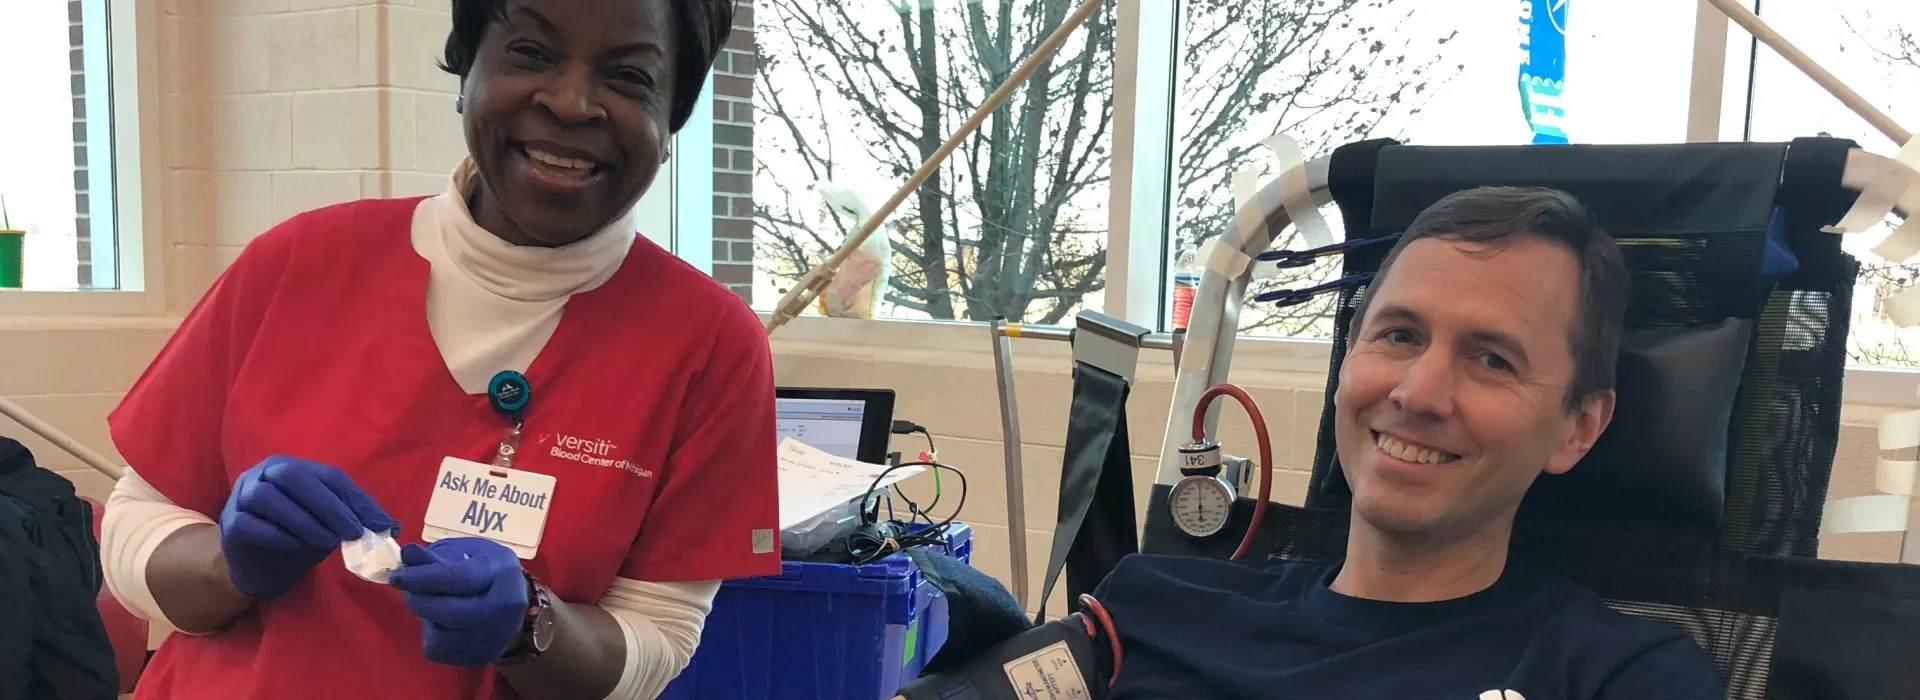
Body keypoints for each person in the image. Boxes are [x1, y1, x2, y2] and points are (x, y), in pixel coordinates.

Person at [98, 1, 776, 699]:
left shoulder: (709, 345)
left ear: (673, 121)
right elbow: (131, 533)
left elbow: (660, 639)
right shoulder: (296, 265)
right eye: (532, 54)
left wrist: (530, 625)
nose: (573, 103)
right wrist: (228, 564)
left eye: (629, 77)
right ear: (465, 67)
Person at [898, 187, 1726, 700]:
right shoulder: (1150, 609)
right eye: (1399, 336)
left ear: (1579, 426)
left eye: (1491, 358)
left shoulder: (1622, 677)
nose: (1417, 394)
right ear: (1349, 363)